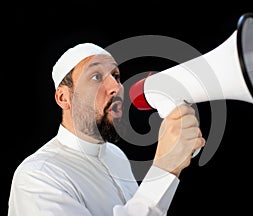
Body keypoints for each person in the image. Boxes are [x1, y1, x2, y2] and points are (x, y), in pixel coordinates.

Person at [8, 42, 205, 215]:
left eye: (116, 76)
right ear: (63, 98)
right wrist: (164, 167)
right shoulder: (38, 176)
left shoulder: (116, 156)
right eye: (95, 76)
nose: (116, 87)